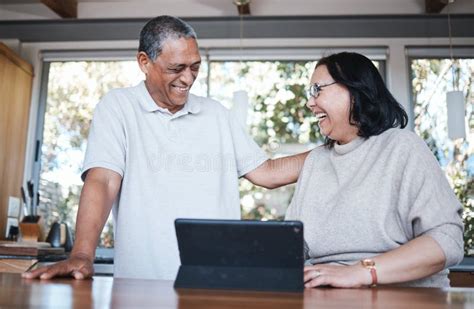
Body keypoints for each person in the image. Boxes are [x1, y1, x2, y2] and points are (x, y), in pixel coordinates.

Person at [23, 16, 308, 280]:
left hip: (215, 283)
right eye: (176, 68)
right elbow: (103, 180)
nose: (187, 78)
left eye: (195, 67)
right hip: (141, 284)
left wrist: (338, 149)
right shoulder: (119, 107)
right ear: (144, 62)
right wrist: (83, 254)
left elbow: (268, 173)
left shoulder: (217, 114)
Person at [285, 52, 464, 288]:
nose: (310, 102)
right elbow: (291, 246)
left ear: (355, 89)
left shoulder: (403, 147)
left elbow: (447, 240)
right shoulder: (316, 162)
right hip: (325, 296)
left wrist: (360, 272)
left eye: (318, 89)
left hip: (400, 298)